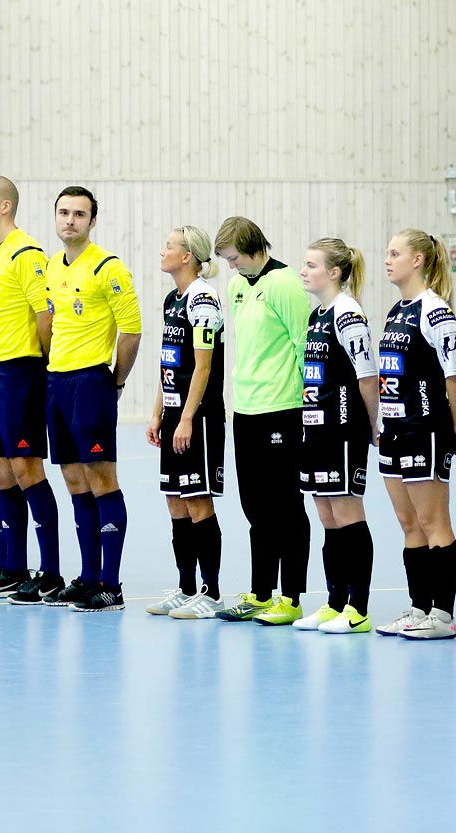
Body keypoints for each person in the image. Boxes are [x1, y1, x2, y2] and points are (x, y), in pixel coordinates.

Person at [26, 187, 141, 611]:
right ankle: (89, 575)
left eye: (79, 214)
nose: (70, 220)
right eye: (63, 212)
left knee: (101, 478)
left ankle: (111, 583)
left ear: (92, 221)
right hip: (57, 382)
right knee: (74, 480)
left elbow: (131, 331)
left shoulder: (109, 268)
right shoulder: (52, 266)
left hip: (92, 382)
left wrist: (115, 380)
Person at [0, 177, 62, 601]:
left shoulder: (27, 253)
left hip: (20, 372)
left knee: (26, 469)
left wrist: (37, 363)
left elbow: (46, 315)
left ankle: (51, 571)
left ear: (5, 206)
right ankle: (11, 566)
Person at [212, 216, 313, 623]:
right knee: (254, 506)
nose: (231, 266)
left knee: (286, 505)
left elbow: (304, 342)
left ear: (253, 248)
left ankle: (290, 598)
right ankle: (260, 592)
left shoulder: (286, 283)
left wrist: (310, 403)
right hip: (247, 408)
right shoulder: (237, 285)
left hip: (283, 407)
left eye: (234, 258)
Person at [373, 229, 456, 640]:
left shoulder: (435, 311)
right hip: (394, 430)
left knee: (433, 521)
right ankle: (419, 607)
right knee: (408, 522)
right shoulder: (397, 311)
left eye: (395, 253)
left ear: (418, 261)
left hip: (425, 429)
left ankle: (442, 615)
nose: (387, 260)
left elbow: (453, 378)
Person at [293, 237, 378, 633]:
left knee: (347, 514)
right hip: (316, 429)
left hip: (343, 430)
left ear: (334, 272)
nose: (303, 271)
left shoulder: (348, 314)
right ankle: (334, 602)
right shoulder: (318, 316)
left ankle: (357, 608)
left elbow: (367, 377)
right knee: (326, 516)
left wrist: (374, 426)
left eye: (311, 265)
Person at [146, 226, 228, 619]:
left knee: (197, 501)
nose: (163, 251)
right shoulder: (171, 299)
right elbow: (169, 362)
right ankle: (186, 587)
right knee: (175, 501)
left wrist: (188, 419)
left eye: (169, 245)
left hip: (200, 417)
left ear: (187, 257)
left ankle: (211, 594)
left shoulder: (204, 299)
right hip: (175, 414)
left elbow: (204, 365)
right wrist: (159, 412)